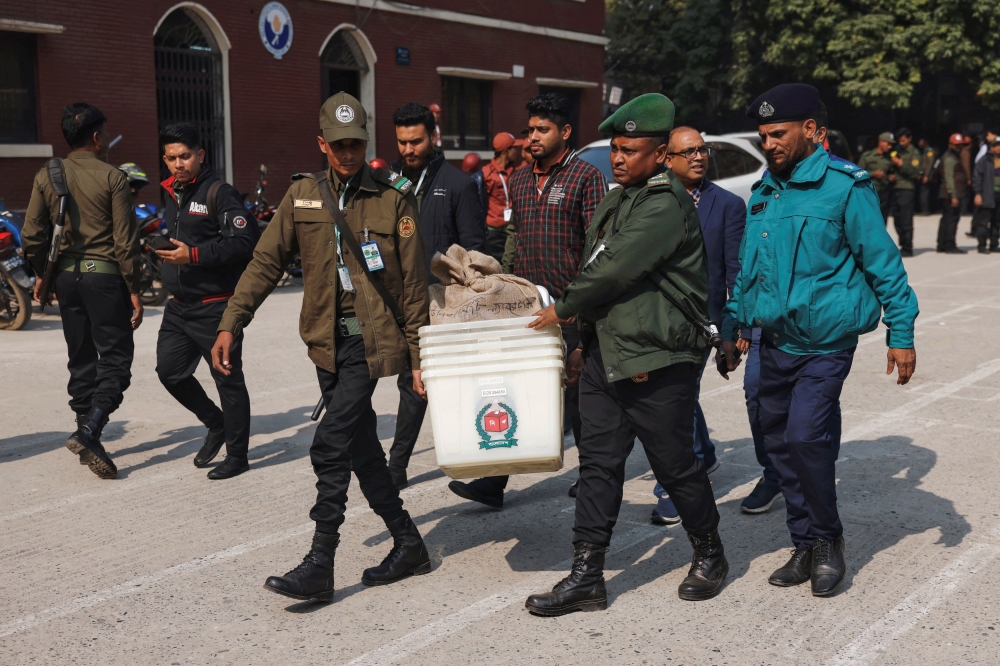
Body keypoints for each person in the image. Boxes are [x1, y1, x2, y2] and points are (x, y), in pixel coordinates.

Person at [212, 93, 432, 602]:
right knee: (360, 448)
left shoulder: (394, 198)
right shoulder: (303, 196)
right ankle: (408, 542)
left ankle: (321, 562)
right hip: (325, 343)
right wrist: (232, 322)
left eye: (356, 143)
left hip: (370, 340)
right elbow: (266, 264)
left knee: (328, 444)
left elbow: (414, 288)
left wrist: (420, 357)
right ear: (322, 144)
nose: (348, 153)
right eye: (338, 145)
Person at [523, 93, 728, 617]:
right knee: (598, 467)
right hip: (606, 355)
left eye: (631, 150)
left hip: (656, 360)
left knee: (675, 466)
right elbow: (596, 266)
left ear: (660, 155)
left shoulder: (663, 203)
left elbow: (613, 269)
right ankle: (587, 577)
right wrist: (582, 342)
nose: (618, 158)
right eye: (615, 148)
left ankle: (710, 553)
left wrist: (562, 310)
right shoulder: (618, 199)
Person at [723, 83, 918, 597]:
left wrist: (902, 332)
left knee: (807, 437)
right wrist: (734, 326)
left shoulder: (845, 187)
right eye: (764, 135)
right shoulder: (767, 190)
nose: (769, 143)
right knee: (779, 445)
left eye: (778, 133)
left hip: (826, 343)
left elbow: (883, 263)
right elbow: (751, 272)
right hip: (774, 340)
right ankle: (804, 543)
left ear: (813, 130)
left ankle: (829, 541)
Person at [447, 92, 608, 509]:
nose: (532, 137)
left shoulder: (585, 177)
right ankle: (494, 482)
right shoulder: (518, 180)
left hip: (571, 307)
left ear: (565, 132)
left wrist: (579, 302)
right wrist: (504, 282)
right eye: (530, 129)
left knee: (577, 396)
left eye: (543, 129)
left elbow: (597, 246)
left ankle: (591, 475)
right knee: (515, 388)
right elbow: (515, 237)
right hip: (525, 306)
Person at [21, 103, 144, 480]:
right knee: (117, 360)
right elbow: (126, 243)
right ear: (96, 137)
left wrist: (43, 273)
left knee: (81, 359)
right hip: (104, 278)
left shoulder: (48, 172)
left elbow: (31, 235)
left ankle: (87, 437)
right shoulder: (114, 178)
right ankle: (89, 430)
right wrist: (135, 289)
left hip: (67, 282)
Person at [645, 126, 740, 525]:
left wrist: (734, 329)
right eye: (690, 151)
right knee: (675, 395)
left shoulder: (728, 205)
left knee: (678, 398)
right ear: (668, 158)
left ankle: (677, 481)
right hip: (657, 319)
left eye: (703, 149)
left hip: (704, 322)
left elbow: (736, 272)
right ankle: (705, 452)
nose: (699, 157)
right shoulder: (649, 199)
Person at [388, 102, 485, 490]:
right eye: (401, 142)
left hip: (443, 304)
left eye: (415, 141)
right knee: (408, 382)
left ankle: (398, 466)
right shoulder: (388, 180)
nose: (408, 149)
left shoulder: (458, 184)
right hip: (398, 300)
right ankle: (395, 464)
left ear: (433, 137)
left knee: (428, 385)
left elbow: (474, 249)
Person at [154, 123, 258, 480]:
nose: (178, 164)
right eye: (171, 158)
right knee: (169, 372)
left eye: (185, 156)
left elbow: (244, 242)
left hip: (216, 307)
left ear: (200, 155)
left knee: (227, 379)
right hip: (178, 307)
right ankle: (216, 424)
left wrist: (194, 257)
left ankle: (238, 456)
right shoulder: (171, 192)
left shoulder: (219, 192)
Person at [479, 132, 524, 261]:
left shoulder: (516, 172)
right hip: (494, 232)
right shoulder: (486, 174)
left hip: (514, 230)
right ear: (506, 151)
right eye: (514, 148)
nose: (516, 151)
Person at [889, 128, 921, 256]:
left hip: (907, 188)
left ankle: (908, 246)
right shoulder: (897, 151)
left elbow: (915, 172)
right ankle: (902, 243)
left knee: (906, 218)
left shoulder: (914, 153)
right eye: (899, 141)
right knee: (897, 218)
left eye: (903, 140)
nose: (901, 143)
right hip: (895, 187)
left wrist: (901, 165)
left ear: (909, 138)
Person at [937, 133, 969, 254]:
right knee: (951, 219)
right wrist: (953, 195)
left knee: (946, 219)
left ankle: (942, 244)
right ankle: (949, 244)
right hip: (950, 194)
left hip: (949, 193)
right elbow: (949, 178)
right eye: (956, 145)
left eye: (960, 145)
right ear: (950, 144)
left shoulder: (953, 156)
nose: (959, 147)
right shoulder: (950, 158)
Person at [971, 136, 1000, 253]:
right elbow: (977, 178)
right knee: (983, 222)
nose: (998, 148)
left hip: (999, 195)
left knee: (997, 222)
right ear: (991, 147)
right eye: (996, 146)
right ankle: (982, 245)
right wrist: (978, 193)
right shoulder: (984, 160)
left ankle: (994, 244)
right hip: (987, 195)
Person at [858, 132, 894, 223]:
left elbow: (891, 172)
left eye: (891, 144)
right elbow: (858, 173)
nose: (890, 147)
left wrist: (891, 177)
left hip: (884, 192)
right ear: (881, 142)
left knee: (883, 219)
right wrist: (873, 173)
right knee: (870, 219)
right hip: (870, 192)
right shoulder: (867, 156)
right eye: (888, 143)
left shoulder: (889, 158)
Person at [918, 138, 937, 215]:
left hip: (927, 175)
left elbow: (930, 163)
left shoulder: (929, 151)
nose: (919, 143)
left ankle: (926, 210)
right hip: (922, 175)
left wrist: (926, 175)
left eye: (920, 141)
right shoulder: (924, 151)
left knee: (925, 193)